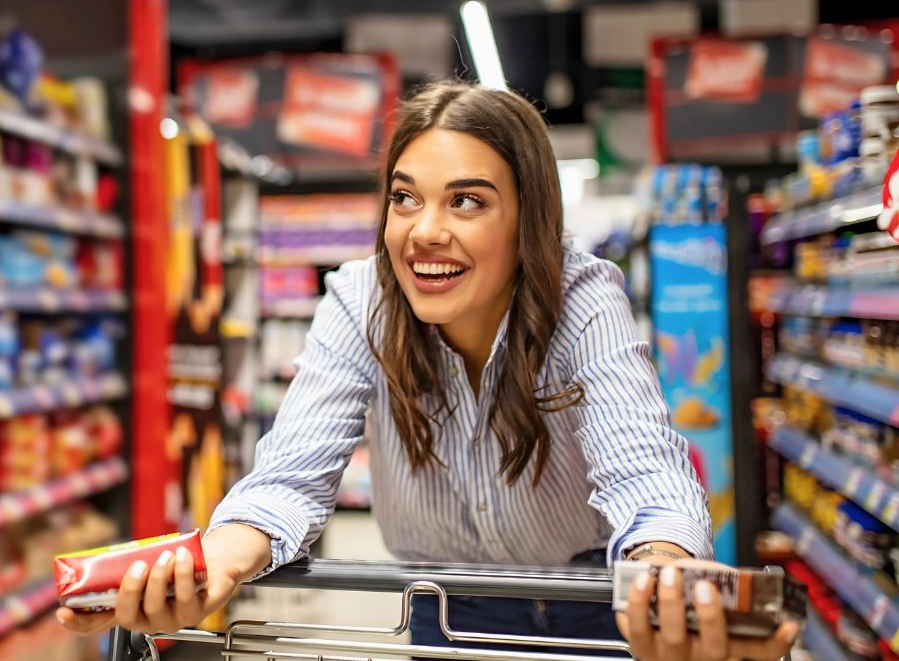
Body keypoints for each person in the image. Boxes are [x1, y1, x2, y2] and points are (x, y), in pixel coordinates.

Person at [58, 81, 799, 661]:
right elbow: (289, 479)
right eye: (404, 198)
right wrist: (212, 562)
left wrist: (665, 574)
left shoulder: (582, 296)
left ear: (527, 219)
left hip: (590, 609)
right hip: (443, 605)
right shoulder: (360, 300)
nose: (424, 232)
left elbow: (646, 475)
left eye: (466, 201)